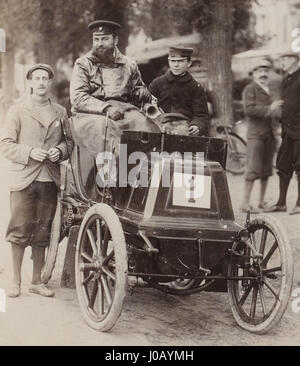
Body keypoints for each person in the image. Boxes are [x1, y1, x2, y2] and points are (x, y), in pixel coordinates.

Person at [0, 64, 74, 298]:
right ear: (30, 83)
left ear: (50, 82)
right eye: (37, 78)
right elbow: (5, 144)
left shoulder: (61, 112)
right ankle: (15, 282)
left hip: (49, 179)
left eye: (45, 78)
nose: (41, 82)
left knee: (43, 230)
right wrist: (29, 152)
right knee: (20, 229)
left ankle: (36, 281)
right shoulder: (18, 110)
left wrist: (59, 152)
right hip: (24, 179)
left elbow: (70, 142)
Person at [70, 20, 157, 158]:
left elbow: (137, 87)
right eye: (96, 39)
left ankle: (142, 170)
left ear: (115, 40)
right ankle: (109, 172)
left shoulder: (129, 64)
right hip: (91, 114)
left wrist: (141, 92)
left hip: (124, 110)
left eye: (105, 39)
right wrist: (106, 108)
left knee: (146, 127)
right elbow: (78, 98)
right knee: (103, 130)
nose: (99, 44)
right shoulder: (83, 64)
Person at [240, 59, 281, 213]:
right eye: (259, 71)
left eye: (266, 71)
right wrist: (270, 109)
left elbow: (275, 112)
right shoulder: (249, 90)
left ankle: (261, 202)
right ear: (253, 74)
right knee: (252, 169)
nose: (263, 74)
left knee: (266, 170)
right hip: (255, 135)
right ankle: (244, 203)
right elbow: (249, 110)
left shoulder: (270, 90)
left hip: (269, 134)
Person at [265, 50, 300, 215]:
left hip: (299, 129)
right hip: (287, 130)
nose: (283, 62)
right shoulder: (287, 79)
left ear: (295, 60)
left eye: (286, 59)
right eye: (282, 59)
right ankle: (281, 203)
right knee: (283, 165)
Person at [149, 47, 209, 136]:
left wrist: (197, 125)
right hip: (158, 125)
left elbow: (201, 114)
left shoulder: (196, 87)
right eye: (173, 61)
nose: (176, 65)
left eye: (180, 61)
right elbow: (146, 106)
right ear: (168, 62)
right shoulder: (157, 83)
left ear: (189, 63)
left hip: (184, 128)